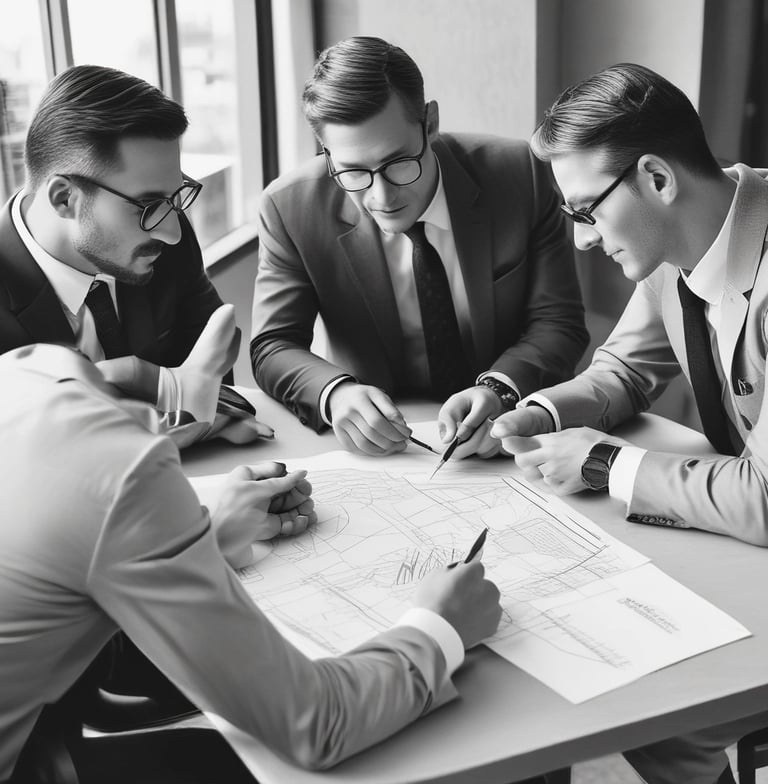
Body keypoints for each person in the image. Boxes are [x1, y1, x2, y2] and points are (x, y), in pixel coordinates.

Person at [1, 342, 503, 784]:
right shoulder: (119, 462)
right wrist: (439, 628)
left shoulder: (18, 372)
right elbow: (315, 723)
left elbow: (62, 561)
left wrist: (204, 541)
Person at [488, 62, 768, 784]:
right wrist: (532, 411)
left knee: (668, 719)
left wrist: (605, 464)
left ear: (657, 178)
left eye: (586, 212)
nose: (580, 240)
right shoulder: (683, 237)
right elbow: (626, 370)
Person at [250, 36, 588, 457]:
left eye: (398, 163)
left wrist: (501, 388)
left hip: (504, 431)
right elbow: (273, 346)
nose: (382, 197)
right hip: (381, 445)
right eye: (353, 171)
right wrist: (334, 394)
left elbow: (559, 322)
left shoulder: (523, 174)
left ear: (429, 123)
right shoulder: (289, 206)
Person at [0, 63, 269, 445]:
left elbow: (211, 386)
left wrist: (175, 399)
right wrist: (150, 389)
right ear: (64, 198)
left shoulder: (164, 238)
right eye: (146, 205)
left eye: (173, 197)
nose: (173, 232)